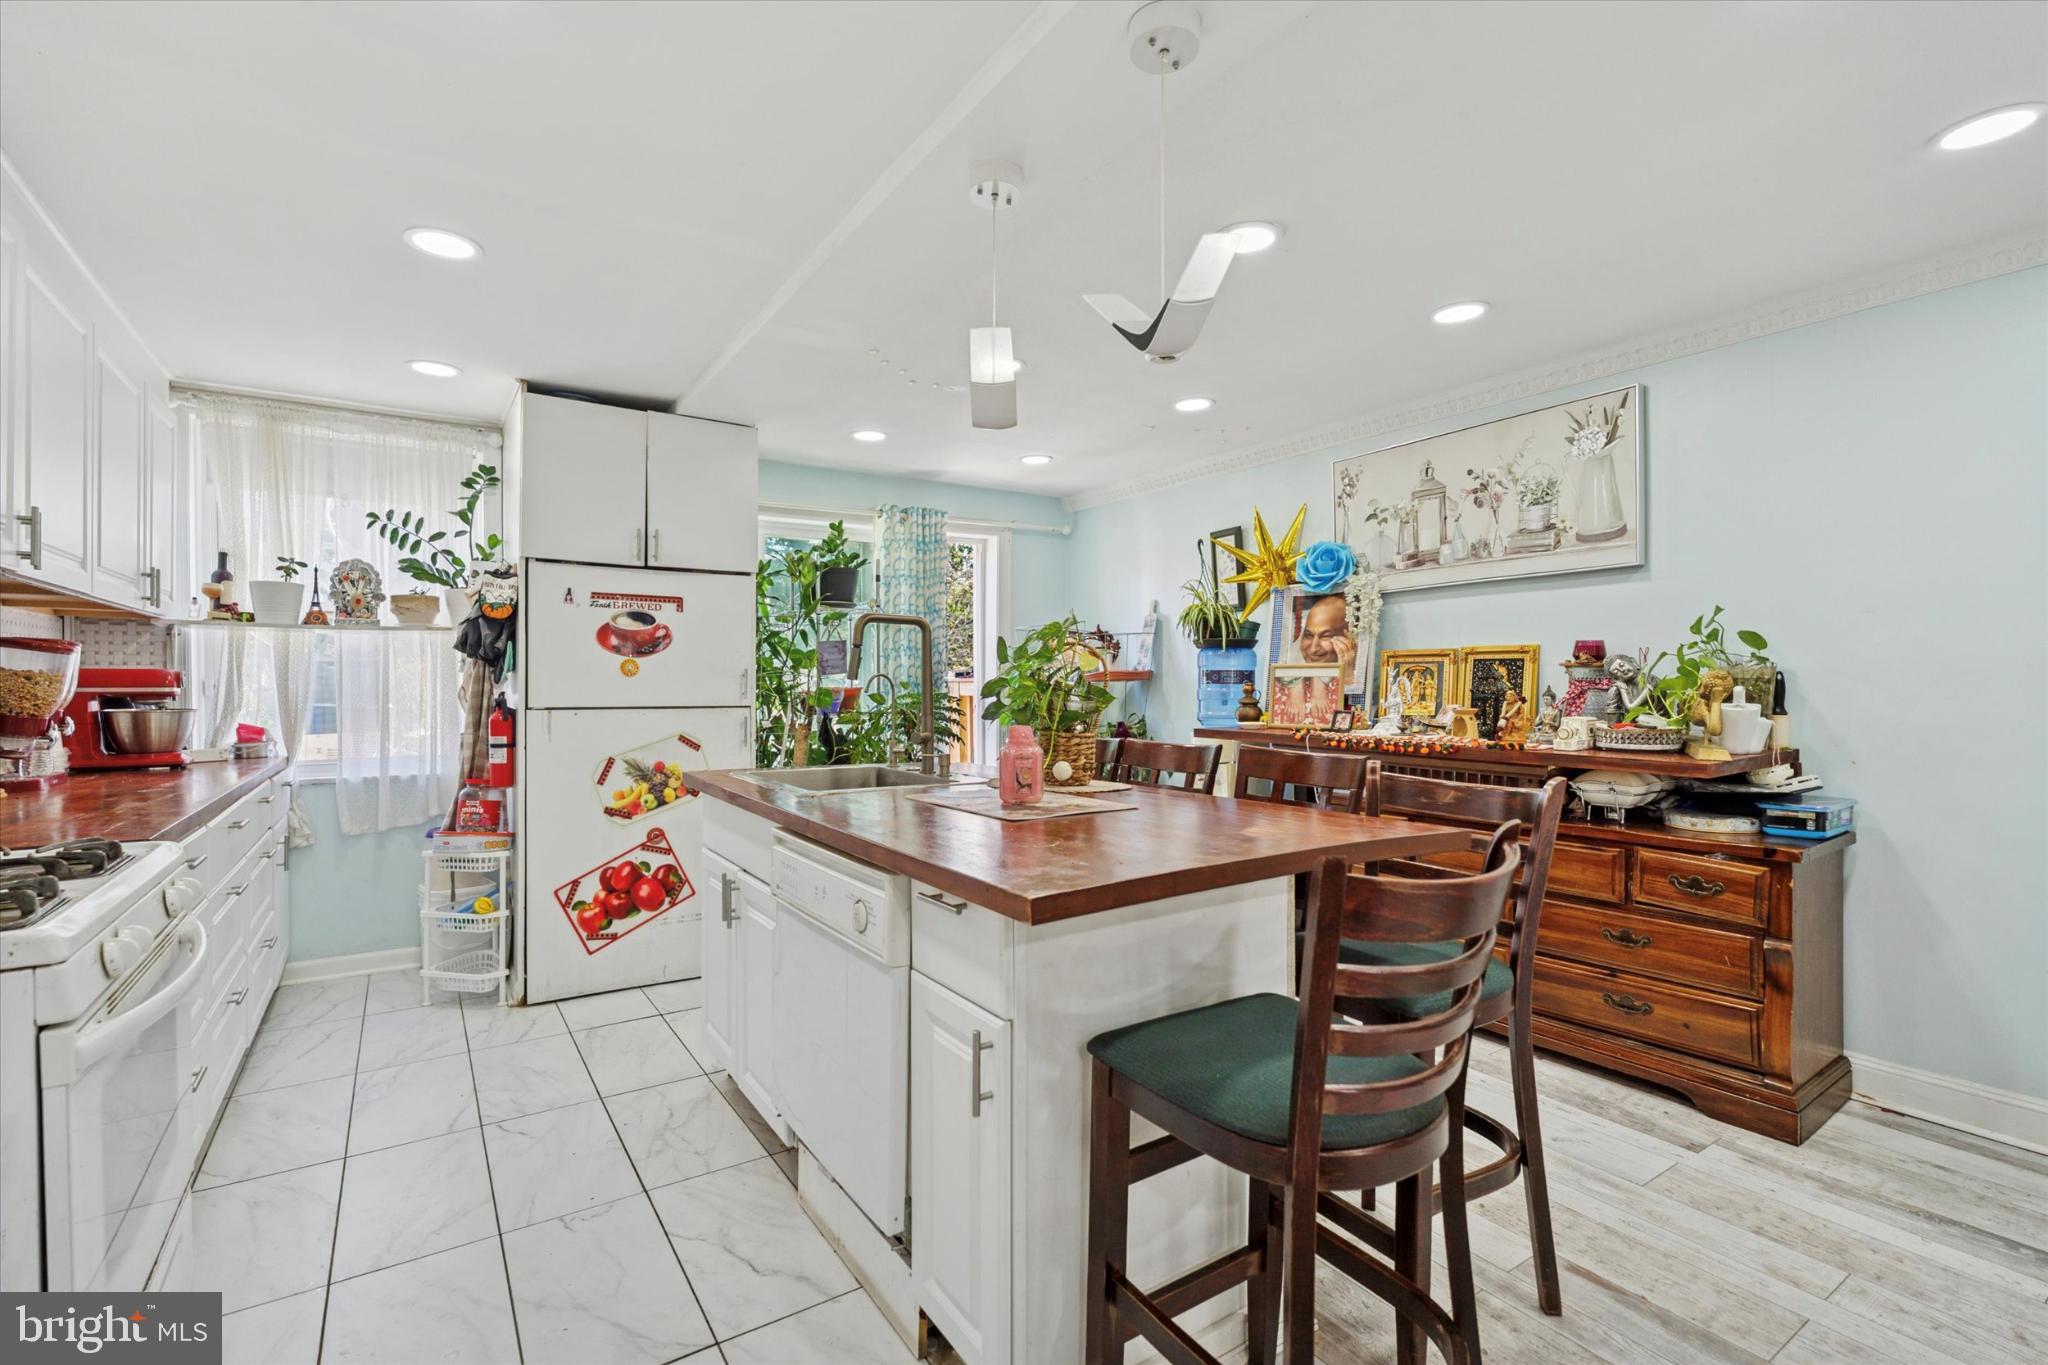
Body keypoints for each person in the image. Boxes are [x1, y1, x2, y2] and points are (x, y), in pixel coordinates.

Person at [1282, 593, 1359, 688]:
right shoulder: (1289, 679)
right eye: (1308, 635)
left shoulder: (1361, 676)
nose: (1313, 649)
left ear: (1348, 639)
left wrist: (1347, 675)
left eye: (1325, 636)